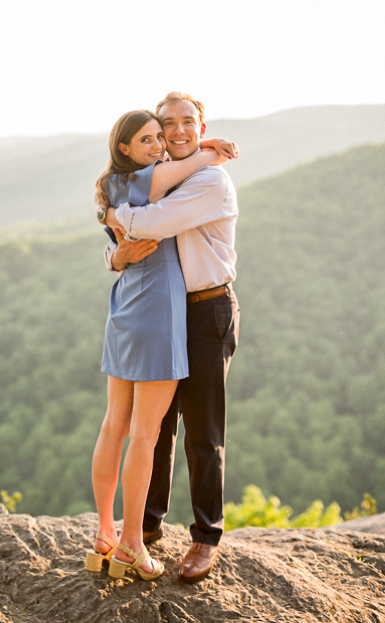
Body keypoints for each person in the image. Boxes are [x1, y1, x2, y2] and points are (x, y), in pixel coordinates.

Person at [86, 109, 234, 581]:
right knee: (152, 433)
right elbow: (133, 231)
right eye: (161, 128)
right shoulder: (163, 174)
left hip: (202, 310)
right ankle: (139, 533)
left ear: (201, 125)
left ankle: (200, 536)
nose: (169, 135)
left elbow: (146, 223)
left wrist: (108, 215)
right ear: (132, 145)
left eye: (184, 123)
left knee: (199, 432)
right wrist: (115, 249)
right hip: (163, 312)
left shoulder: (207, 180)